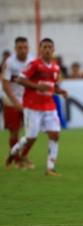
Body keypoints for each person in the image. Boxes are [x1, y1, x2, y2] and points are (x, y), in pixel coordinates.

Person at [5, 38, 68, 176]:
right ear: (40, 49)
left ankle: (50, 168)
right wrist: (37, 86)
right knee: (30, 137)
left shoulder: (56, 67)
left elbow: (51, 85)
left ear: (53, 49)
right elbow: (19, 79)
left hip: (49, 106)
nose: (47, 49)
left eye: (50, 47)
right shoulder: (34, 64)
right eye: (44, 47)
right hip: (33, 106)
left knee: (55, 135)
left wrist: (60, 91)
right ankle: (13, 152)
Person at [2, 37, 33, 168]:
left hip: (27, 100)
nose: (23, 50)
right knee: (14, 131)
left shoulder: (32, 61)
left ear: (28, 48)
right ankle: (16, 160)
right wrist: (15, 102)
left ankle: (22, 156)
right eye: (20, 48)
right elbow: (5, 85)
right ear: (15, 49)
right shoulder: (9, 62)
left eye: (25, 47)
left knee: (32, 132)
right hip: (11, 100)